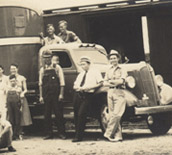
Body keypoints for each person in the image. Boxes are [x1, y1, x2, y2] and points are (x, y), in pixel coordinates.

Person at [72, 56, 103, 142]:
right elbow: (75, 85)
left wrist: (89, 87)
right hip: (78, 95)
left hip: (88, 95)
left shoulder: (95, 72)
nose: (82, 66)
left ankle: (79, 137)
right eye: (81, 65)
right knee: (76, 114)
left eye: (84, 64)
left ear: (89, 64)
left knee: (81, 114)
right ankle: (77, 134)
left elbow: (100, 83)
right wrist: (77, 88)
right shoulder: (81, 74)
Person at [39, 52, 66, 140]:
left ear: (51, 58)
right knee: (47, 115)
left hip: (56, 94)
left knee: (58, 114)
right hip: (46, 95)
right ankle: (48, 134)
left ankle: (61, 133)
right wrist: (41, 96)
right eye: (45, 58)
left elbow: (62, 82)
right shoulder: (42, 69)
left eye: (48, 57)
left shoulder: (57, 68)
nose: (46, 59)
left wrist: (61, 94)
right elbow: (40, 84)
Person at [103, 50, 127, 142]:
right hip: (110, 91)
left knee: (117, 114)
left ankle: (108, 133)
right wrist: (112, 82)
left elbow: (121, 81)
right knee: (112, 114)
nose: (113, 60)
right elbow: (104, 83)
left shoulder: (122, 69)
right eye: (111, 58)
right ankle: (118, 136)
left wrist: (111, 81)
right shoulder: (108, 70)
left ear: (118, 59)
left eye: (114, 58)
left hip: (119, 91)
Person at [10, 64, 32, 140]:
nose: (13, 70)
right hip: (11, 98)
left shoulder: (22, 78)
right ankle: (13, 133)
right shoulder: (9, 78)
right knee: (12, 115)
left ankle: (20, 132)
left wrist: (23, 93)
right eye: (11, 69)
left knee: (21, 115)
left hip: (20, 98)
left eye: (14, 69)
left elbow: (25, 89)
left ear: (17, 69)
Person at [6, 74, 22, 140]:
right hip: (9, 105)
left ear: (16, 81)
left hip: (17, 105)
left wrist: (21, 107)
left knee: (17, 120)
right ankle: (11, 135)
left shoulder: (18, 88)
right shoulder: (7, 88)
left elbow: (21, 98)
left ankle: (16, 134)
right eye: (11, 81)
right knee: (11, 119)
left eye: (14, 81)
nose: (13, 82)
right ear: (9, 81)